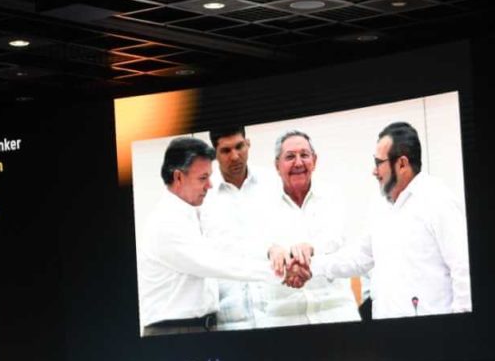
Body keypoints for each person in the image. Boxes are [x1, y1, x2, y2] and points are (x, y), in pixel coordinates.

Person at [137, 136, 306, 336]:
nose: (209, 185)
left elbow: (228, 245)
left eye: (209, 176)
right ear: (178, 177)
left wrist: (270, 250)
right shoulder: (166, 223)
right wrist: (281, 273)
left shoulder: (194, 213)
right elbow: (216, 263)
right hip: (173, 331)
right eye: (202, 178)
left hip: (201, 327)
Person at [310, 121, 471, 318]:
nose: (374, 171)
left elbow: (463, 269)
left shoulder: (438, 199)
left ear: (402, 164)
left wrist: (460, 328)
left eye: (379, 163)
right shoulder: (379, 205)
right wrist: (310, 266)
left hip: (434, 337)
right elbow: (359, 257)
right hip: (387, 335)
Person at [260, 130, 360, 327]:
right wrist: (284, 263)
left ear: (314, 160)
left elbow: (336, 239)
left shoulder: (333, 197)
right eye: (290, 156)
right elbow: (260, 249)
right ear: (277, 165)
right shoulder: (262, 206)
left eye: (304, 155)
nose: (298, 163)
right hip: (284, 319)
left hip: (336, 312)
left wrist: (310, 249)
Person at [199, 126, 278, 330]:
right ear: (214, 153)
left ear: (248, 143)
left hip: (277, 313)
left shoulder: (273, 184)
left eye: (239, 147)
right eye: (225, 151)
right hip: (230, 321)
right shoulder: (202, 197)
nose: (235, 156)